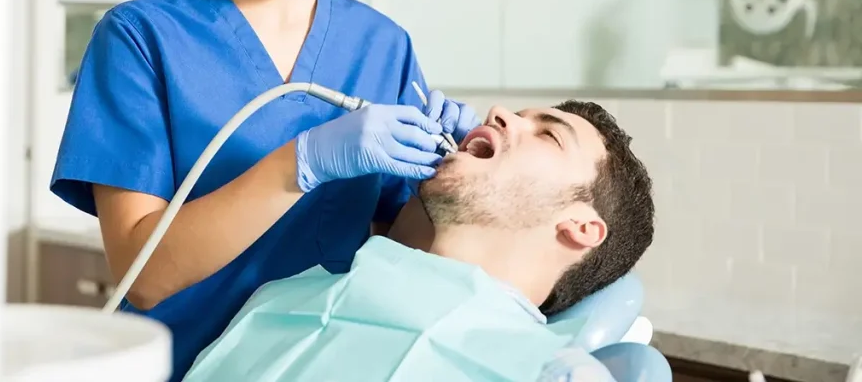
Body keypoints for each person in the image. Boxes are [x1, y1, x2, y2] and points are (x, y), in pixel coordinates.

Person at [48, 0, 481, 379]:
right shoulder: (141, 40)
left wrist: (450, 176)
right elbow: (141, 279)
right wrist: (300, 163)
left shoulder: (381, 43)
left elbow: (399, 247)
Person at [182, 100, 655, 382]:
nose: (498, 113)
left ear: (581, 227)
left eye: (550, 136)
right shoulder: (284, 300)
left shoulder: (540, 372)